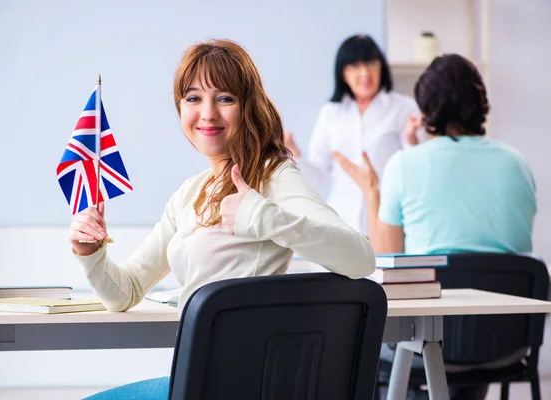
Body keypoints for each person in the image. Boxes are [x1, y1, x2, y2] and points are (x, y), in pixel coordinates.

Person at [70, 39, 376, 400]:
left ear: (248, 106)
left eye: (225, 98)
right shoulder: (189, 193)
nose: (208, 113)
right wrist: (91, 253)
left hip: (241, 383)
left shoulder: (273, 174)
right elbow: (125, 292)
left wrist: (263, 216)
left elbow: (361, 257)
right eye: (193, 98)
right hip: (197, 377)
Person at [333, 53, 537, 400]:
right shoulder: (516, 162)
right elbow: (510, 243)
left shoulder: (404, 165)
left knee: (399, 341)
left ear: (426, 109)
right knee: (464, 328)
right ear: (481, 103)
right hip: (504, 342)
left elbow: (384, 257)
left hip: (429, 341)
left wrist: (371, 190)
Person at [284, 34, 425, 236]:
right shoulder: (331, 112)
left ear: (381, 67)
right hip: (342, 223)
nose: (364, 73)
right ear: (343, 73)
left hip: (388, 220)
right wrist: (294, 153)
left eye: (370, 64)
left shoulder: (403, 107)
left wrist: (412, 139)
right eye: (355, 66)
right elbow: (316, 175)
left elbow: (416, 168)